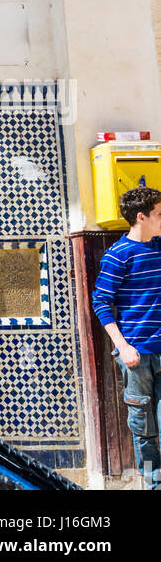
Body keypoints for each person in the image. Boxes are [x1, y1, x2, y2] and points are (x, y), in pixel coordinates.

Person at [93, 184, 161, 488]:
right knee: (144, 429)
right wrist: (123, 347)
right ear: (141, 217)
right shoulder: (117, 256)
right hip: (137, 357)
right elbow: (101, 303)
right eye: (159, 214)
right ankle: (152, 483)